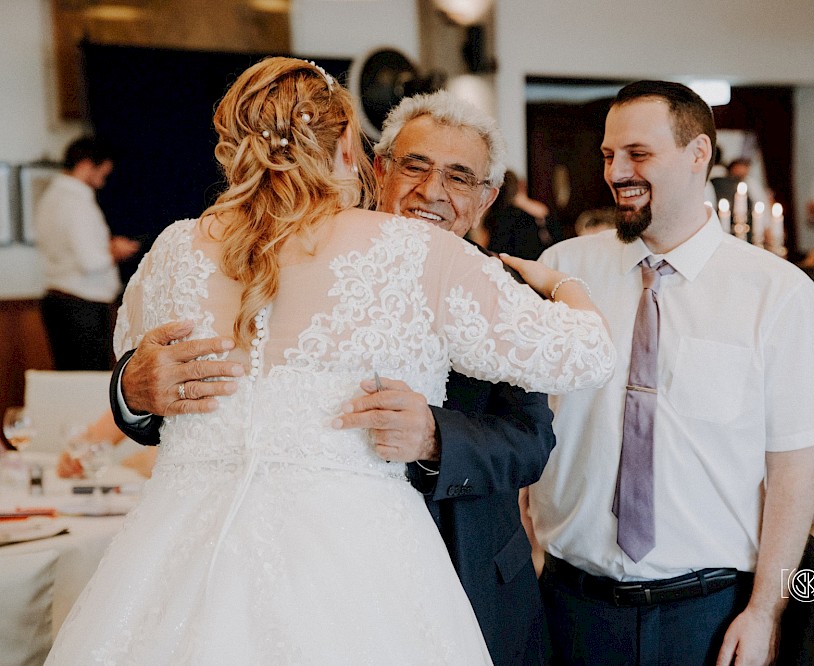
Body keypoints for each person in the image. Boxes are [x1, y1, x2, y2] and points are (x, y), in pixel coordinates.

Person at [46, 57, 615, 664]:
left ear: (487, 196)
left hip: (198, 565)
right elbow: (588, 354)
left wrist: (432, 437)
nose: (431, 191)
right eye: (414, 166)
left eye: (457, 177)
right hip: (363, 571)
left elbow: (529, 440)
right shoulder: (416, 254)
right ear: (363, 157)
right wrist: (563, 286)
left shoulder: (174, 250)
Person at [529, 81, 814, 665]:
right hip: (569, 604)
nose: (617, 171)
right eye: (609, 155)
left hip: (710, 612)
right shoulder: (562, 270)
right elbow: (527, 423)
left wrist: (764, 612)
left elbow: (792, 476)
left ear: (698, 153)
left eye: (638, 153)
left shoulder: (775, 291)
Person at [35, 136, 140, 370]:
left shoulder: (51, 197)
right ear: (85, 165)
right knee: (88, 379)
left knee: (70, 377)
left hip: (58, 300)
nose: (102, 183)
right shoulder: (76, 202)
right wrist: (116, 250)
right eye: (102, 174)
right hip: (82, 306)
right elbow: (91, 261)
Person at [481, 170, 560, 260]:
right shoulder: (537, 212)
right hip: (537, 262)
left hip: (507, 264)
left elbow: (489, 248)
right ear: (520, 186)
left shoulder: (496, 215)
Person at [56, 409, 157, 479]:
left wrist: (134, 462)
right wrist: (70, 461)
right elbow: (93, 441)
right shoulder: (147, 388)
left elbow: (155, 464)